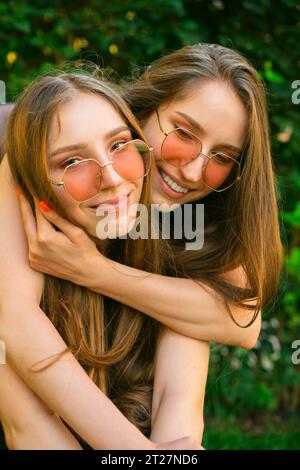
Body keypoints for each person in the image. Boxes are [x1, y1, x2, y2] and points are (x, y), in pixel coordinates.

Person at [0, 71, 208, 450]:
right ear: (35, 188)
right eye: (73, 162)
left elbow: (179, 414)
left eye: (119, 145)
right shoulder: (12, 285)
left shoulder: (175, 249)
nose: (111, 178)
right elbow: (29, 429)